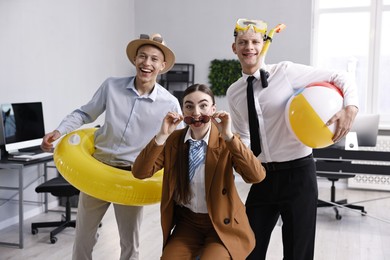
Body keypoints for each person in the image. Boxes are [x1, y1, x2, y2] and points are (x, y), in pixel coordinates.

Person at [41, 33, 183, 260]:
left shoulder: (170, 104)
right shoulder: (112, 86)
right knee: (83, 237)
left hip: (132, 177)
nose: (147, 63)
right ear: (134, 60)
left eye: (154, 59)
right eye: (142, 57)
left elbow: (174, 147)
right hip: (97, 169)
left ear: (162, 66)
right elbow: (84, 113)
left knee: (130, 242)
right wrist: (59, 131)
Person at [226, 18, 359, 260]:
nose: (249, 47)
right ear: (234, 48)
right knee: (247, 250)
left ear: (264, 45)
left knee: (299, 253)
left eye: (255, 41)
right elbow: (243, 135)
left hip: (298, 174)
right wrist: (239, 167)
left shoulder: (285, 72)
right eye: (242, 42)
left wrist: (350, 108)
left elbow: (340, 77)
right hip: (262, 177)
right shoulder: (234, 92)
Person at [132, 84, 266, 259]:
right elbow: (140, 172)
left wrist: (229, 137)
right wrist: (161, 136)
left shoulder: (227, 140)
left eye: (203, 105)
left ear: (213, 109)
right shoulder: (174, 140)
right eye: (189, 106)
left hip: (221, 223)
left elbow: (256, 176)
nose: (196, 112)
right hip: (188, 223)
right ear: (183, 111)